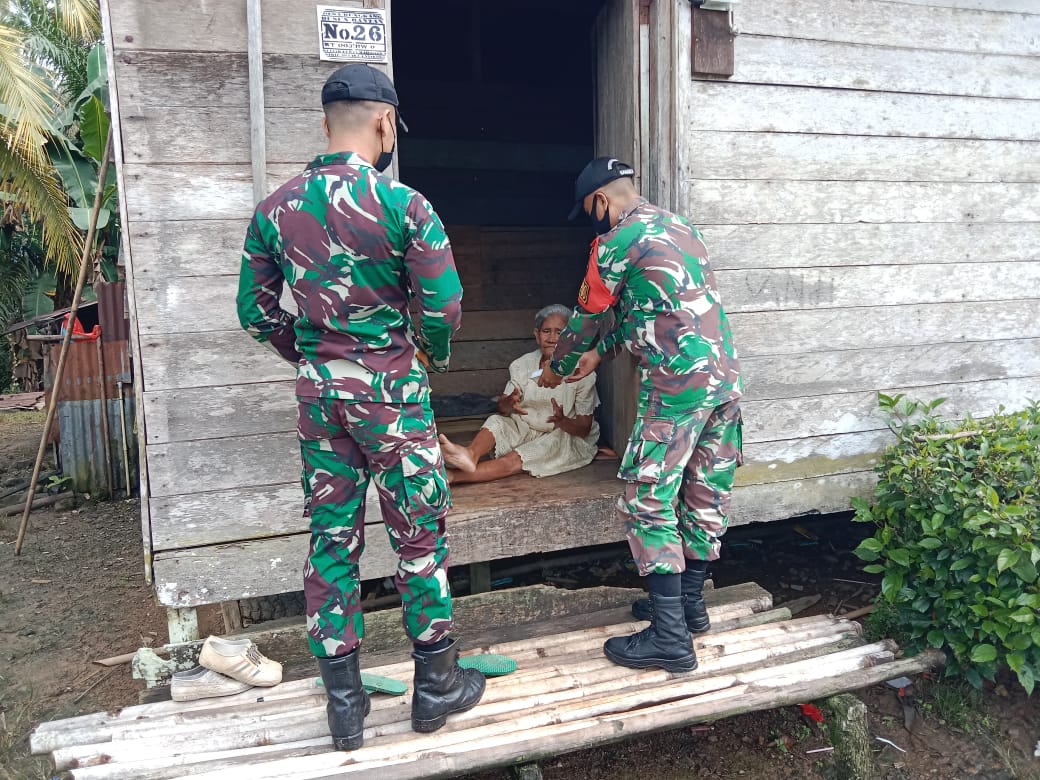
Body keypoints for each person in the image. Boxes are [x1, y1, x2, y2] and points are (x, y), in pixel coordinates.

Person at [236, 63, 484, 750]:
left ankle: (344, 711)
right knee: (419, 538)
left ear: (326, 122)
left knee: (332, 543)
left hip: (322, 401)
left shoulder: (275, 210)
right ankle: (435, 688)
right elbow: (445, 306)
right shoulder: (407, 207)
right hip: (393, 400)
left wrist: (311, 358)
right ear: (385, 122)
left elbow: (253, 315)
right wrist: (424, 353)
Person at [539, 157, 743, 674]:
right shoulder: (683, 228)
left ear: (602, 201)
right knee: (701, 491)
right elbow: (648, 315)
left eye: (590, 211)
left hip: (675, 387)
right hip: (723, 381)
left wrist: (558, 366)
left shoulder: (613, 244)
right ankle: (688, 607)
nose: (593, 220)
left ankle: (670, 640)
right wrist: (601, 355)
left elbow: (586, 318)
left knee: (647, 498)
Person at [439, 304, 600, 484]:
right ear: (537, 335)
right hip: (525, 428)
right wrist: (508, 402)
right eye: (546, 331)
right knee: (496, 422)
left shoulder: (582, 371)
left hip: (561, 435)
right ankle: (470, 454)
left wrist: (563, 421)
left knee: (513, 460)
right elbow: (502, 408)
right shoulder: (522, 365)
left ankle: (452, 477)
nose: (553, 338)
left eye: (559, 332)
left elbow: (584, 428)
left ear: (571, 337)